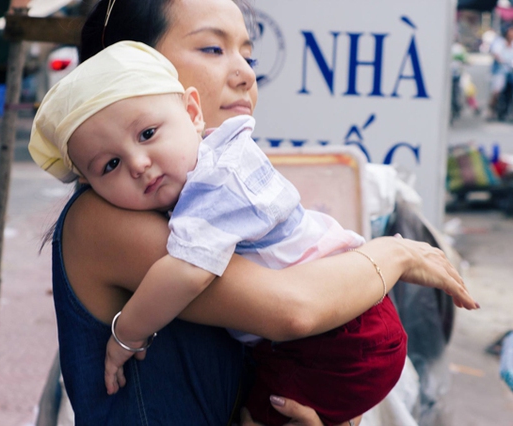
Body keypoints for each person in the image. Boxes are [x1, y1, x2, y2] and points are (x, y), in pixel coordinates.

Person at [30, 1, 478, 425]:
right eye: (212, 48)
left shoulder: (202, 195)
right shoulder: (104, 218)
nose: (245, 74)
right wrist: (395, 256)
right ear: (128, 67)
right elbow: (294, 309)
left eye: (247, 54)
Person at [488, 25, 513, 120]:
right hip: (500, 71)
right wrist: (502, 61)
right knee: (497, 90)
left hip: (511, 71)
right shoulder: (499, 42)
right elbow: (496, 54)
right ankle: (491, 110)